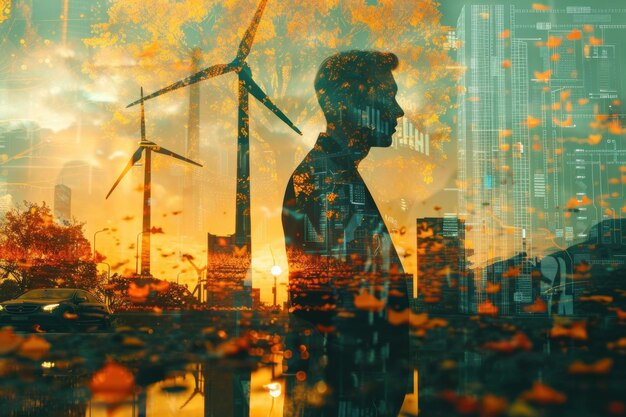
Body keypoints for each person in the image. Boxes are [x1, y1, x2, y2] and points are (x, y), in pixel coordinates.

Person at [282, 50, 411, 417]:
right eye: (386, 96)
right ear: (348, 104)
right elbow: (330, 317)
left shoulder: (333, 176)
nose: (397, 111)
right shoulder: (323, 181)